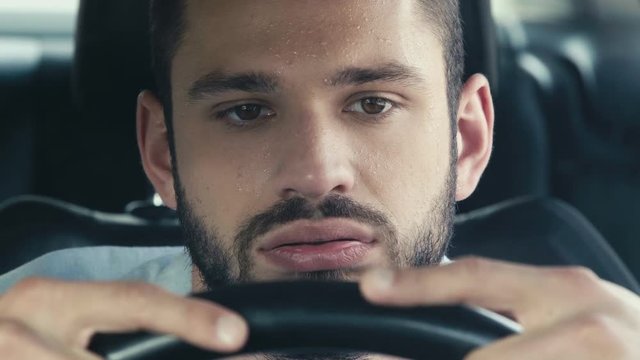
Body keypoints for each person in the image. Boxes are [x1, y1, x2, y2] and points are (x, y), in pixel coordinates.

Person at [0, 1, 639, 359]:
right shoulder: (26, 329)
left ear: (466, 139)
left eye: (372, 103)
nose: (315, 174)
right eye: (245, 111)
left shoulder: (584, 345)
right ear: (163, 153)